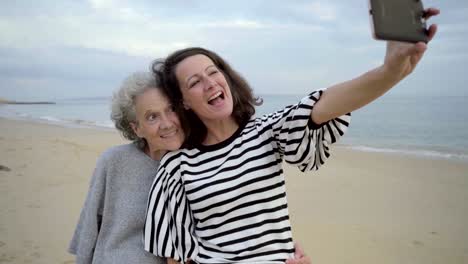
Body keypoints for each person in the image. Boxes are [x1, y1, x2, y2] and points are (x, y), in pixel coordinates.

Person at [144, 8, 440, 264]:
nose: (210, 84)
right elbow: (176, 256)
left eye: (213, 72)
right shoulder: (178, 166)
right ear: (183, 101)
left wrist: (390, 71)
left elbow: (325, 104)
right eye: (195, 82)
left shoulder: (265, 132)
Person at [68, 72, 185, 263]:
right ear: (136, 128)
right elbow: (89, 225)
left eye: (171, 109)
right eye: (152, 117)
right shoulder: (114, 160)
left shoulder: (197, 163)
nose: (167, 123)